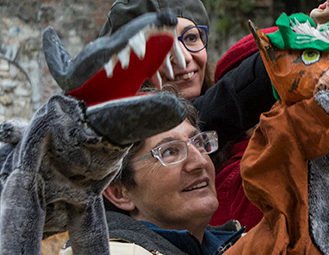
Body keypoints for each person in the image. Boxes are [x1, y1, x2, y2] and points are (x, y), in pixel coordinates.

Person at [100, 0, 276, 169]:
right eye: (159, 45)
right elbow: (222, 104)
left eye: (191, 37)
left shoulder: (246, 134)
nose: (182, 57)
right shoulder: (118, 140)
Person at [77, 98, 244, 255]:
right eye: (169, 151)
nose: (200, 161)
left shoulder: (237, 242)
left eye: (198, 143)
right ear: (119, 192)